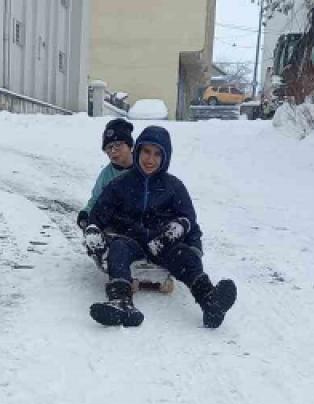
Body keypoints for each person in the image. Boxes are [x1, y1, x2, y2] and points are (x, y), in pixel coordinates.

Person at [83, 125, 237, 329]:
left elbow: (189, 220)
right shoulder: (120, 184)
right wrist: (93, 228)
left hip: (161, 242)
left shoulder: (174, 186)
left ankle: (210, 301)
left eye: (157, 154)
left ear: (166, 157)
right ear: (137, 150)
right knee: (118, 251)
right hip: (130, 240)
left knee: (185, 256)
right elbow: (100, 212)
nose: (150, 159)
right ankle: (120, 301)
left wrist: (194, 248)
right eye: (146, 151)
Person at [76, 118, 136, 269]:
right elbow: (96, 199)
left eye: (117, 145)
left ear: (130, 145)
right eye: (108, 148)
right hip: (116, 222)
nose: (113, 151)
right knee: (104, 225)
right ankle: (102, 249)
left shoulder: (143, 167)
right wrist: (85, 213)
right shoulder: (106, 175)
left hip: (140, 219)